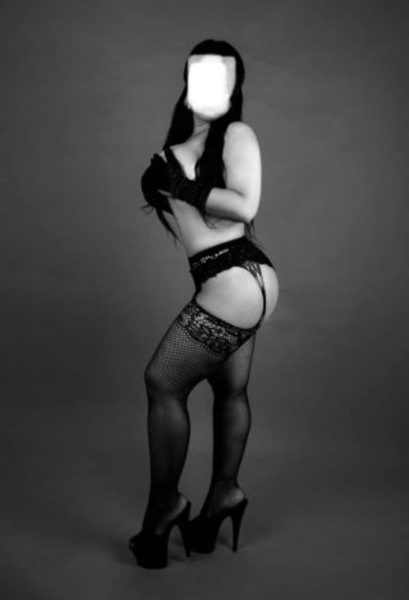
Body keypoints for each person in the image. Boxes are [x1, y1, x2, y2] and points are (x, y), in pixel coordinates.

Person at [129, 39, 279, 569]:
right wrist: (167, 184)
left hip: (236, 275)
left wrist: (179, 185)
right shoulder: (182, 143)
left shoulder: (235, 133)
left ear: (235, 88)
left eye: (226, 77)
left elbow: (245, 205)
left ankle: (163, 511)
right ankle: (224, 496)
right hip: (233, 281)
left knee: (162, 382)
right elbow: (192, 225)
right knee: (230, 388)